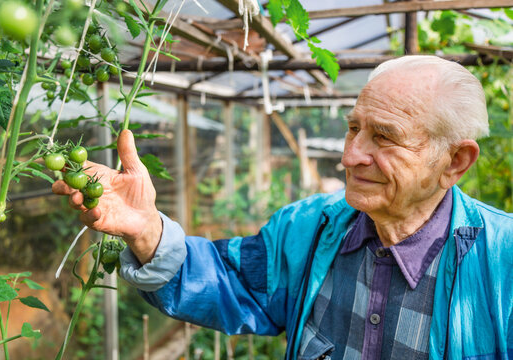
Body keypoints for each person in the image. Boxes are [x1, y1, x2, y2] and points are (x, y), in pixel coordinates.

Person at [53, 55, 513, 359]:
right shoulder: (311, 228)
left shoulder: (502, 264)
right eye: (355, 128)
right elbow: (232, 281)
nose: (351, 155)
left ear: (455, 161)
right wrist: (148, 231)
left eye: (385, 137)